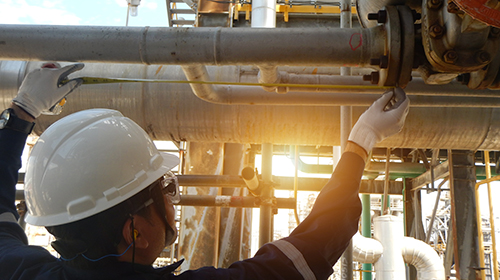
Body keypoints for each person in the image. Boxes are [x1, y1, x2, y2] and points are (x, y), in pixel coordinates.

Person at [0, 64, 409, 280]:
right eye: (166, 190)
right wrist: (362, 138)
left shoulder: (23, 271)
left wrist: (21, 112)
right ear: (134, 232)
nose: (172, 199)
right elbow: (307, 252)